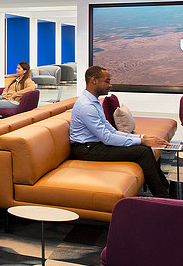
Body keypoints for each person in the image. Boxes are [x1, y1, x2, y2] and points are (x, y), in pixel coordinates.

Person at [69, 65, 171, 198]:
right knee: (142, 152)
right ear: (94, 80)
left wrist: (142, 137)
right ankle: (163, 198)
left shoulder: (93, 102)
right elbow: (107, 138)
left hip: (94, 145)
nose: (110, 85)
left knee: (143, 148)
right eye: (107, 81)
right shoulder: (86, 106)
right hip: (85, 149)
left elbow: (110, 130)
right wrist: (141, 140)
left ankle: (165, 191)